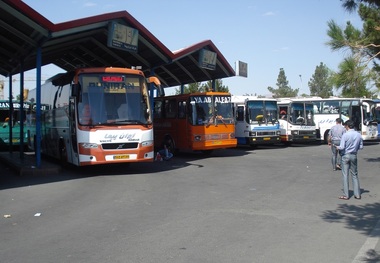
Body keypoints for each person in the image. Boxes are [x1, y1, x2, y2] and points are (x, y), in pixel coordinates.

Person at [335, 120, 364, 200]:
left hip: (345, 155)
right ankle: (357, 194)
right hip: (354, 155)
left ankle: (346, 195)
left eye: (345, 126)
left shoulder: (345, 135)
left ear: (347, 126)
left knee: (345, 175)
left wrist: (337, 147)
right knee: (355, 174)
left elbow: (342, 147)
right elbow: (361, 147)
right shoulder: (358, 135)